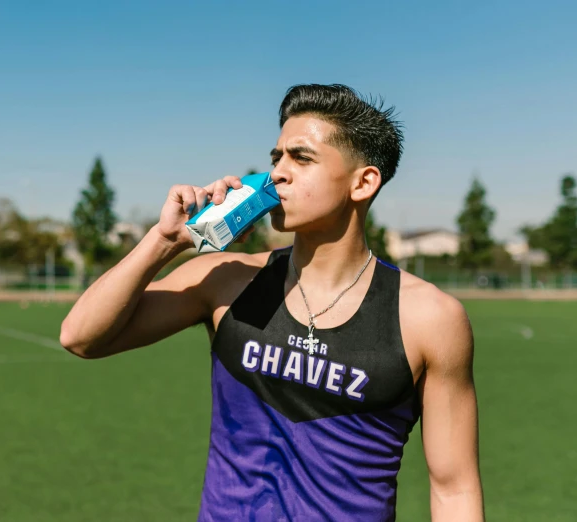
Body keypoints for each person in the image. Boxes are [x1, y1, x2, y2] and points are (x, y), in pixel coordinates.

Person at [60, 84, 484, 521]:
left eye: (301, 158)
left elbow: (454, 490)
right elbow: (80, 337)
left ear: (363, 182)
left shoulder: (428, 318)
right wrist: (165, 242)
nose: (277, 172)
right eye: (276, 157)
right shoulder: (229, 278)